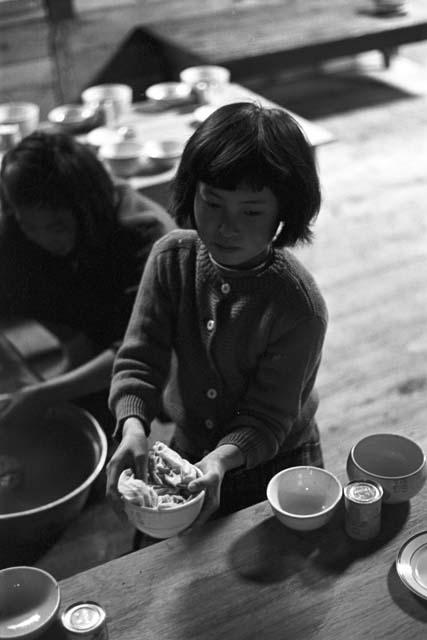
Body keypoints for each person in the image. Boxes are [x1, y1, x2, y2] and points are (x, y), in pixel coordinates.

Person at [106, 101, 328, 529]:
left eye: (250, 211)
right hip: (190, 447)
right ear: (192, 192)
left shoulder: (299, 307)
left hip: (275, 457)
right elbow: (139, 359)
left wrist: (221, 461)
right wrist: (133, 426)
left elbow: (267, 418)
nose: (226, 227)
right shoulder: (170, 259)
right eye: (212, 202)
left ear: (285, 211)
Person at [0, 130, 176, 437]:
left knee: (128, 420)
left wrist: (45, 394)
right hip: (89, 324)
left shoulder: (145, 236)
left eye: (57, 226)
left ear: (86, 208)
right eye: (30, 225)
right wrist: (20, 376)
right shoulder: (18, 225)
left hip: (165, 350)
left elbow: (140, 346)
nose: (44, 239)